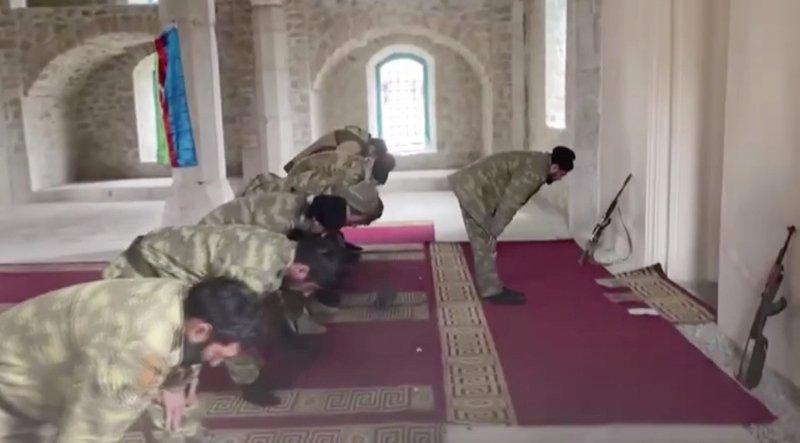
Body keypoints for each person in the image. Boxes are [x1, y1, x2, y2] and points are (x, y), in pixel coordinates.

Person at [0, 277, 262, 442]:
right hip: (14, 372)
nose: (215, 363)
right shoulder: (137, 354)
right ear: (201, 330)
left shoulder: (185, 300)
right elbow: (89, 432)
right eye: (217, 354)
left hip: (48, 354)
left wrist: (172, 384)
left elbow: (181, 352)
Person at [449, 146, 575, 305]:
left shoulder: (539, 162)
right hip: (475, 190)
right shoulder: (534, 172)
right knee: (484, 241)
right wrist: (494, 230)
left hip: (474, 186)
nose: (559, 178)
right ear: (554, 167)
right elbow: (510, 202)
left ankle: (490, 286)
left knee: (483, 242)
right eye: (561, 174)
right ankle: (491, 291)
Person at [102, 225, 343, 298]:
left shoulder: (278, 242)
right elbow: (221, 319)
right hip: (139, 274)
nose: (306, 294)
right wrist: (249, 378)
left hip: (153, 243)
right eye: (310, 288)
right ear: (301, 270)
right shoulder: (256, 276)